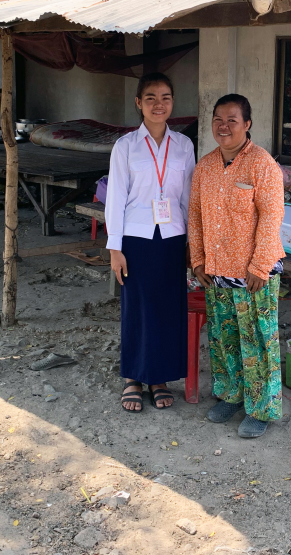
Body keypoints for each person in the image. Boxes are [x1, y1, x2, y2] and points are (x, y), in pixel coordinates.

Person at [188, 94, 286, 438]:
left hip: (253, 272)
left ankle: (262, 408)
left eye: (232, 119)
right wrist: (198, 259)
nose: (223, 126)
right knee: (224, 337)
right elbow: (195, 216)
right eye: (218, 119)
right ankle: (231, 395)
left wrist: (260, 265)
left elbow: (273, 217)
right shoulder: (205, 166)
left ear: (247, 124)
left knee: (257, 340)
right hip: (217, 271)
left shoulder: (262, 165)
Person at [105, 72, 195, 412]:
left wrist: (191, 242)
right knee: (138, 305)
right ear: (138, 103)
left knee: (168, 307)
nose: (159, 104)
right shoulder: (126, 146)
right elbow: (115, 198)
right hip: (136, 238)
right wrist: (115, 248)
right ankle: (133, 377)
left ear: (173, 102)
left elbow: (188, 198)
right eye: (152, 98)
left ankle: (158, 377)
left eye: (166, 97)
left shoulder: (184, 146)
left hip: (172, 236)